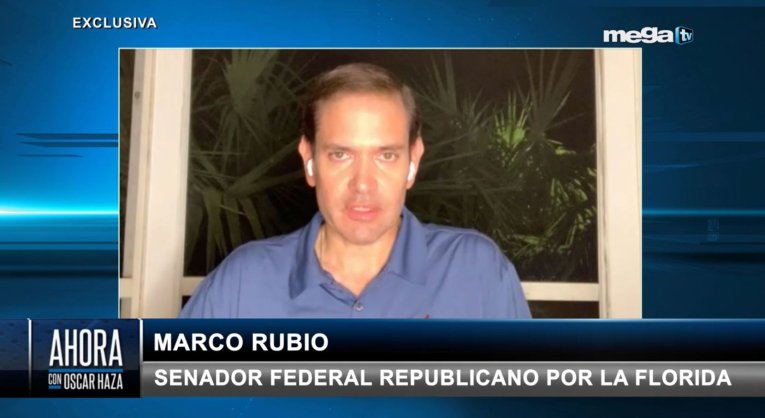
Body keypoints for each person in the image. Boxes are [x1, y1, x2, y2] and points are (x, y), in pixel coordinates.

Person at [180, 63, 531, 319]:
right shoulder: (244, 283)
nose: (363, 184)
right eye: (341, 154)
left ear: (413, 160)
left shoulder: (476, 272)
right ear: (309, 160)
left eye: (386, 155)